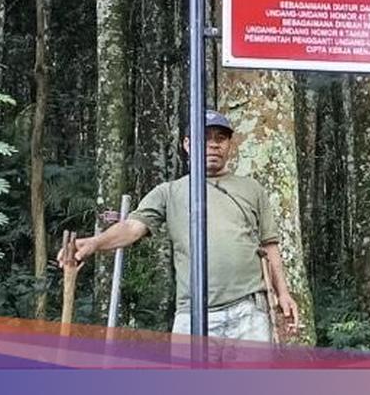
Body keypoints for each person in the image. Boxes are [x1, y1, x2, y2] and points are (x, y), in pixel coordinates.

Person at [60, 110, 299, 341]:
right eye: (204, 138)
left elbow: (270, 246)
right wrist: (94, 243)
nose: (213, 145)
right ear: (187, 144)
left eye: (220, 138)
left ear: (230, 145)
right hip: (192, 312)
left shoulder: (251, 189)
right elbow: (133, 227)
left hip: (249, 309)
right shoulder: (170, 192)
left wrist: (284, 294)